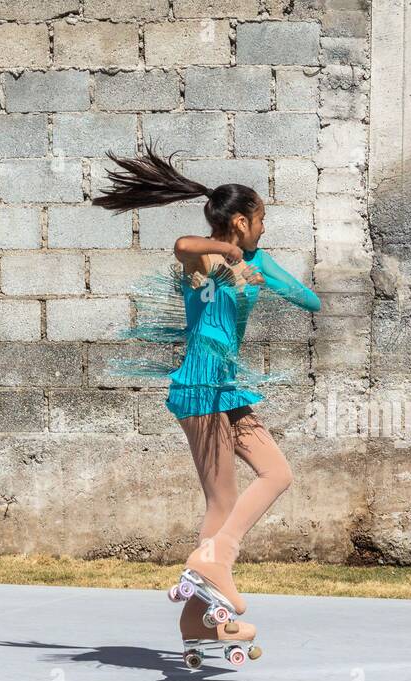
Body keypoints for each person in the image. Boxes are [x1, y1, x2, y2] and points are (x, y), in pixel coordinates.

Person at [92, 143, 321, 651]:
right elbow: (182, 242)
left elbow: (310, 299)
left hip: (229, 387)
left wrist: (264, 270)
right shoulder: (202, 263)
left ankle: (201, 605)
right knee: (221, 499)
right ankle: (212, 568)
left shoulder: (255, 257)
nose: (264, 227)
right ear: (239, 221)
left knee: (277, 473)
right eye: (260, 219)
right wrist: (232, 255)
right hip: (199, 385)